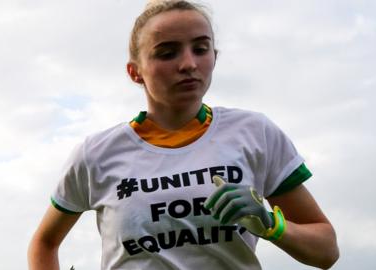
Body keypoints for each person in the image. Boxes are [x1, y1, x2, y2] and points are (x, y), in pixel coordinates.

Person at [28, 1, 339, 269]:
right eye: (167, 53)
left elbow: (326, 250)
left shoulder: (255, 134)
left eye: (201, 49)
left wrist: (271, 224)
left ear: (214, 56)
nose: (189, 64)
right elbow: (44, 243)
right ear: (135, 71)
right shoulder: (95, 153)